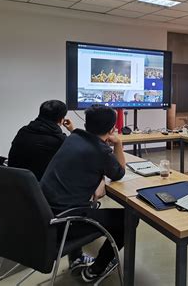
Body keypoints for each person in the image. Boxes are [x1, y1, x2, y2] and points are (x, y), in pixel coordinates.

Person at [40, 105, 127, 282]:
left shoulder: (74, 137)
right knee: (129, 219)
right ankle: (96, 270)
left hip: (43, 214)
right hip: (65, 222)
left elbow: (89, 167)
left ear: (87, 124)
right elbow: (119, 173)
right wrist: (118, 143)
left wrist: (100, 179)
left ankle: (77, 258)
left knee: (84, 203)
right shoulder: (101, 151)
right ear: (112, 129)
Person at [8, 100, 74, 181]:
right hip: (40, 188)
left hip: (15, 183)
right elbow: (79, 151)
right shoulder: (59, 140)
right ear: (61, 120)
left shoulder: (23, 131)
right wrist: (72, 130)